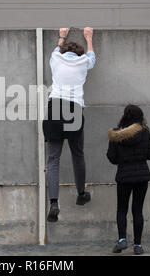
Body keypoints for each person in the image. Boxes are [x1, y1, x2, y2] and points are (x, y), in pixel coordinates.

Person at [42, 27, 96, 223]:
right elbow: (92, 57)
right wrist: (89, 37)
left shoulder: (56, 59)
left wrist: (62, 36)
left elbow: (56, 48)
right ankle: (81, 193)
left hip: (55, 106)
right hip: (74, 108)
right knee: (77, 154)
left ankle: (54, 202)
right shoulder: (84, 62)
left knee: (53, 159)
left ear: (65, 51)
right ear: (79, 53)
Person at [106, 104, 150, 255]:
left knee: (122, 209)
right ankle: (138, 245)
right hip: (142, 176)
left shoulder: (116, 134)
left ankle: (122, 240)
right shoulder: (145, 133)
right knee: (137, 210)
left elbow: (112, 158)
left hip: (124, 176)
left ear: (124, 116)